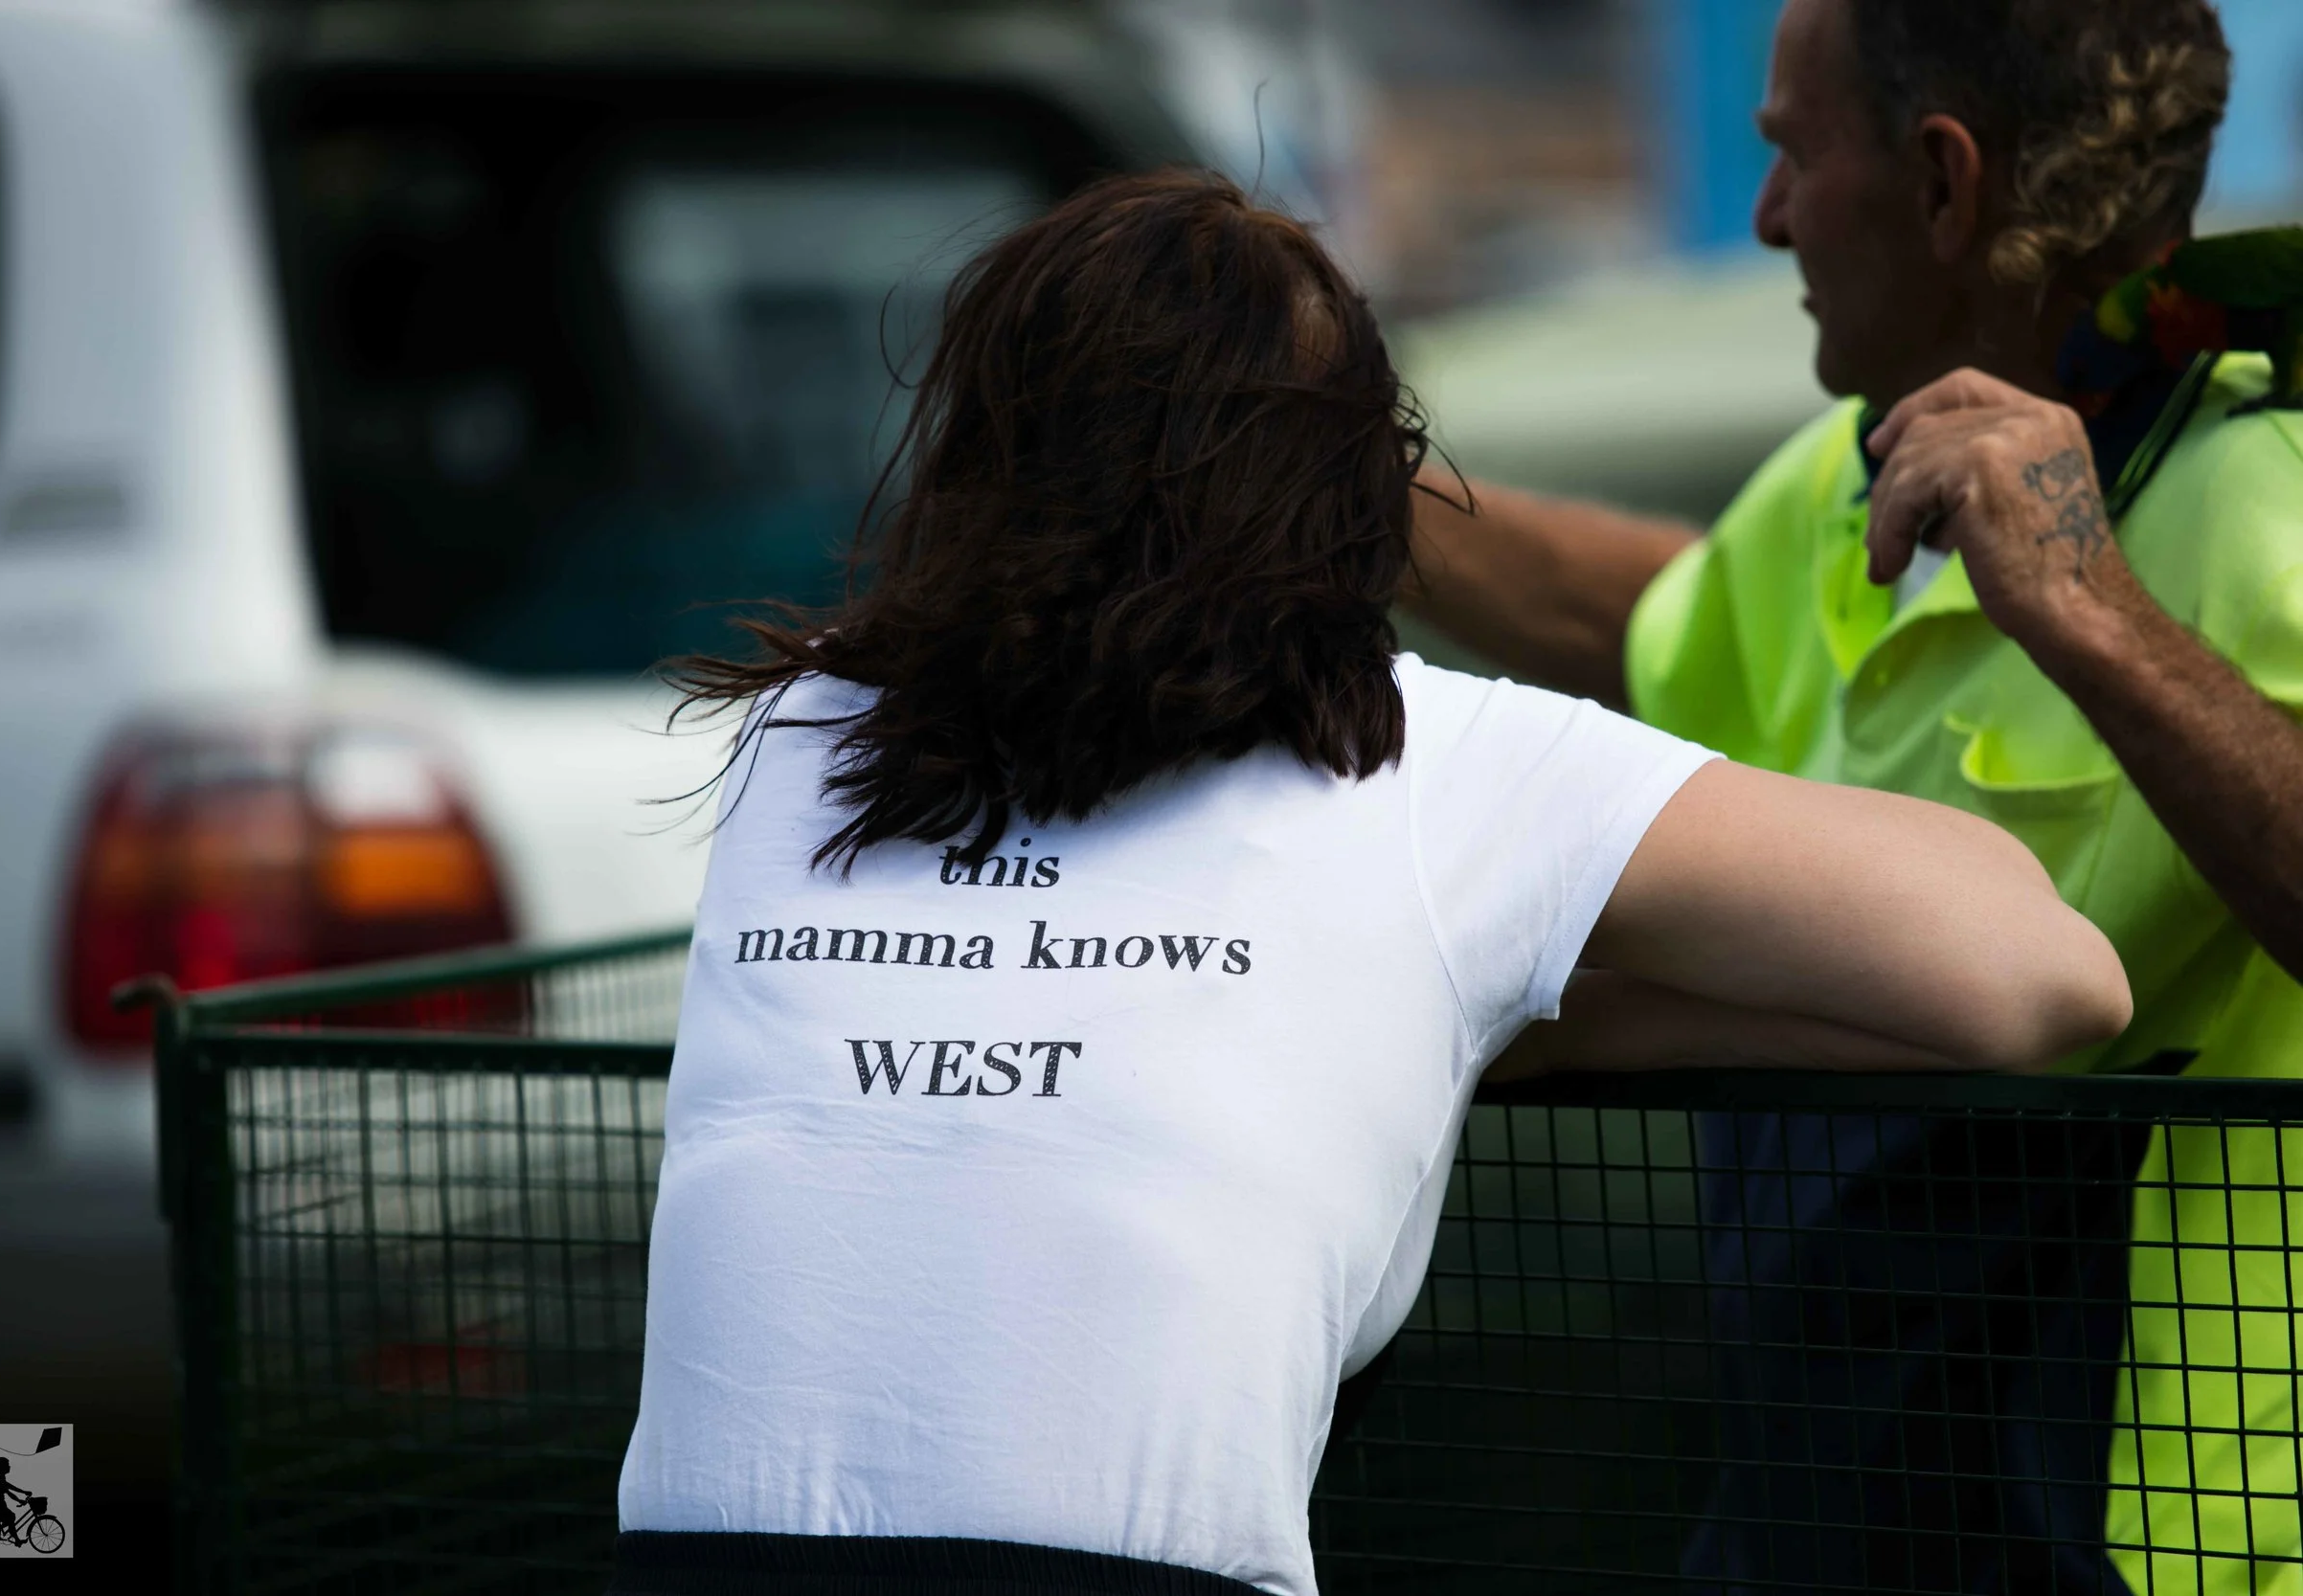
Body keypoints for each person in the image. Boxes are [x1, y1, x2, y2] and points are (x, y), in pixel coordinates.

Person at [610, 169, 2128, 1596]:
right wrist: (1476, 1012)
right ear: (1362, 477)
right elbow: (2040, 975)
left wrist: (1430, 1010)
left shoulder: (788, 739)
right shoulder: (1430, 763)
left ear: (973, 452)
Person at [1406, 1, 2303, 1590]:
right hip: (1840, 1504)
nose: (1763, 219)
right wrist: (1315, 485)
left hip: (2157, 1538)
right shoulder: (1857, 467)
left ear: (1946, 184)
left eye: (1790, 156)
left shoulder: (2265, 497)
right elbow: (1649, 625)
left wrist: (2090, 607)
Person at [0, 1458, 29, 1538]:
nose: (9, 1466)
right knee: (11, 1517)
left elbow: (11, 1488)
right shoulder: (1, 1481)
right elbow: (10, 1492)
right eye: (7, 1465)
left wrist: (24, 1492)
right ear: (2, 1468)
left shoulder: (2, 1479)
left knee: (11, 1517)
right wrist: (20, 1499)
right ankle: (17, 1540)